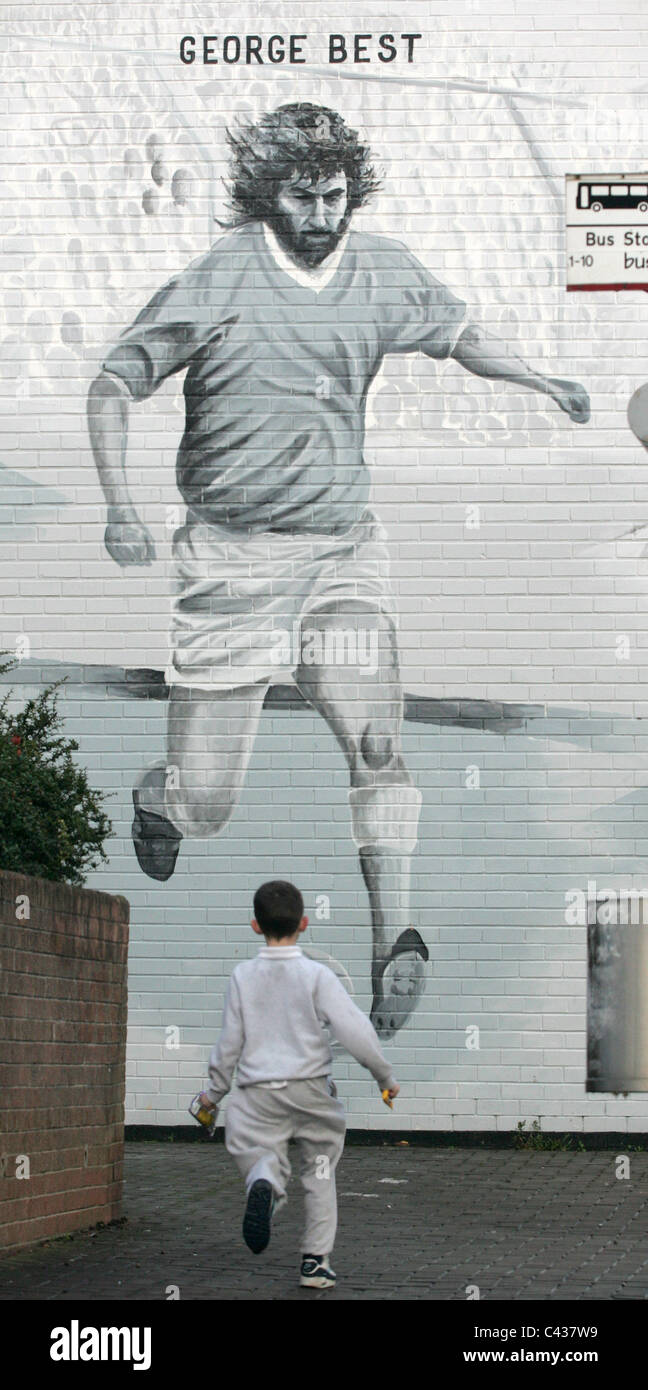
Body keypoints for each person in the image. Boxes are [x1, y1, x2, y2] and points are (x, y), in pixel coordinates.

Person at [87, 102, 590, 1039]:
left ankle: (392, 935)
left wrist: (540, 380)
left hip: (338, 556)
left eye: (336, 194)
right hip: (229, 568)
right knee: (207, 807)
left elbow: (461, 332)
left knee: (374, 742)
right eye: (303, 195)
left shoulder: (382, 270)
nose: (324, 214)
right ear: (266, 194)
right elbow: (114, 384)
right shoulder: (221, 278)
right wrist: (120, 506)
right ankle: (161, 798)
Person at [196, 879, 399, 1290]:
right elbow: (355, 1029)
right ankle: (314, 1262)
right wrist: (384, 1076)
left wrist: (212, 1095)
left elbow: (229, 1043)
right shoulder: (316, 976)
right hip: (311, 1090)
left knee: (256, 1151)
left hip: (257, 1093)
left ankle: (265, 1183)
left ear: (255, 925)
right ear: (303, 923)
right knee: (320, 1171)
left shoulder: (242, 977)